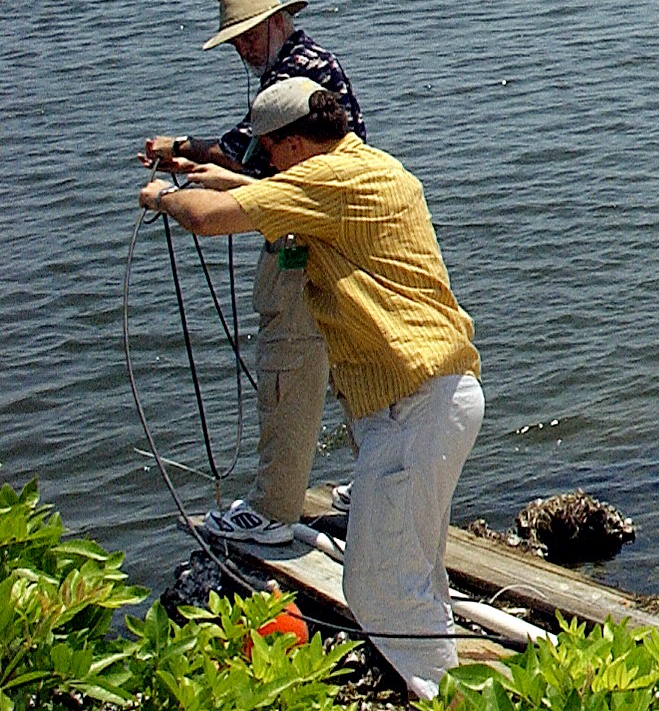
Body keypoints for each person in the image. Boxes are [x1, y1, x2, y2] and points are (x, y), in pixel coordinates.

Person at [140, 82, 482, 700]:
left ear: (294, 143)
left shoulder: (327, 181)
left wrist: (168, 196)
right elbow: (263, 194)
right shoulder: (369, 167)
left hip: (413, 407)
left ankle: (446, 696)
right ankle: (447, 685)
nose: (266, 166)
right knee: (416, 576)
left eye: (269, 153)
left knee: (376, 586)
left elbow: (209, 221)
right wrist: (204, 173)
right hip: (442, 394)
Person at [137, 0, 365, 526]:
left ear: (276, 23)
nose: (241, 49)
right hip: (337, 232)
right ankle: (381, 478)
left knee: (288, 362)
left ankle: (272, 512)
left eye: (245, 36)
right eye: (234, 41)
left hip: (303, 239)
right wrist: (204, 171)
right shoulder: (313, 61)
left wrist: (177, 158)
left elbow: (241, 152)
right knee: (351, 364)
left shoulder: (294, 74)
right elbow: (261, 163)